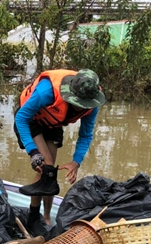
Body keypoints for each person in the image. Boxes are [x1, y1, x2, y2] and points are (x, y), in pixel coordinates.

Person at [14, 69, 106, 227]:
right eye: (77, 103)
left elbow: (85, 135)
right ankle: (33, 217)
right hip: (31, 121)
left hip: (53, 123)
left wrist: (76, 162)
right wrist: (33, 152)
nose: (80, 108)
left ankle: (48, 218)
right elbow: (21, 118)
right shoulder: (46, 92)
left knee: (51, 172)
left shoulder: (92, 103)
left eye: (84, 105)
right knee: (46, 166)